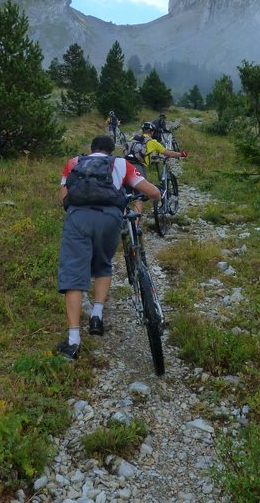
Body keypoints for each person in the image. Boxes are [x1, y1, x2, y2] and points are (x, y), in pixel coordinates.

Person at [55, 134, 161, 360]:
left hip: (78, 218)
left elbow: (63, 197)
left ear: (91, 149)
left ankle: (73, 340)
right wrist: (155, 195)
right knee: (103, 263)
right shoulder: (121, 164)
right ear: (111, 151)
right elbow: (152, 192)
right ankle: (97, 315)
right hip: (109, 219)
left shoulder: (74, 163)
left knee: (74, 270)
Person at [125, 122, 188, 213]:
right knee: (140, 197)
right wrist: (182, 154)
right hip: (138, 167)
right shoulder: (152, 142)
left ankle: (122, 220)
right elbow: (168, 153)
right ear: (152, 132)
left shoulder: (132, 139)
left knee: (125, 196)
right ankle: (135, 225)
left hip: (124, 165)